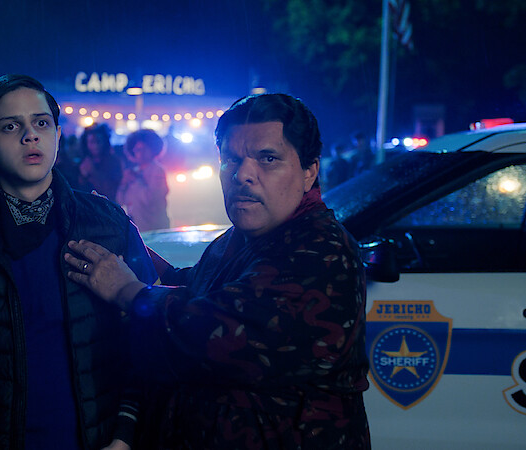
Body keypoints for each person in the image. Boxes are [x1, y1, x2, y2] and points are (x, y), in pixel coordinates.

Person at [65, 93, 371, 449]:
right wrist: (124, 238)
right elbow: (191, 286)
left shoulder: (322, 250)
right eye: (231, 159)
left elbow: (219, 332)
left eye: (268, 159)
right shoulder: (242, 237)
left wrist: (126, 291)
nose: (243, 175)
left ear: (309, 171)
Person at [0, 74, 157, 449]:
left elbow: (146, 343)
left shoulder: (109, 225)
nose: (30, 136)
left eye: (41, 123)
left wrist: (124, 438)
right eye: (10, 126)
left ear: (55, 132)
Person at [116, 129, 170, 231]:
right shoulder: (134, 171)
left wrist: (137, 181)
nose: (140, 153)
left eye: (143, 149)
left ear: (152, 149)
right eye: (136, 150)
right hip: (137, 226)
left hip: (154, 227)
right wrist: (123, 183)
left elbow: (152, 198)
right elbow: (121, 201)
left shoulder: (157, 170)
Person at [77, 123, 122, 199]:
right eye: (92, 142)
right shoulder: (82, 162)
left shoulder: (113, 162)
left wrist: (93, 172)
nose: (95, 145)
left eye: (98, 141)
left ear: (105, 142)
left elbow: (111, 191)